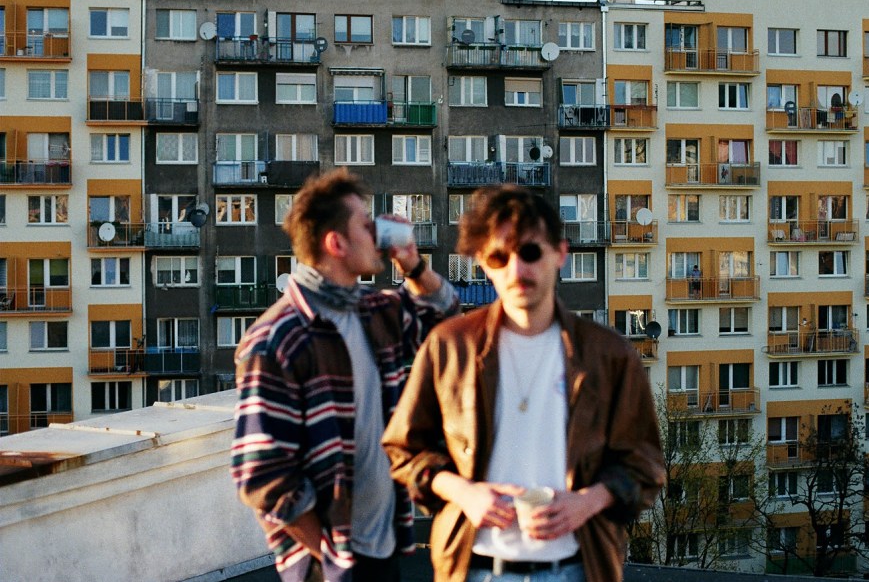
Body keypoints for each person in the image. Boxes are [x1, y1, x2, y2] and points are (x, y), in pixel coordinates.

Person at [382, 185, 665, 582]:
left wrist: (588, 501)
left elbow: (646, 462)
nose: (516, 270)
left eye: (530, 252)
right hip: (474, 569)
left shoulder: (609, 353)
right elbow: (403, 449)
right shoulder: (450, 346)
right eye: (500, 257)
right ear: (484, 264)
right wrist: (464, 493)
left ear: (560, 254)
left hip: (577, 569)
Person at [231, 168, 459, 582]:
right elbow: (262, 473)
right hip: (331, 565)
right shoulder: (277, 339)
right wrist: (330, 557)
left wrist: (412, 264)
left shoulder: (372, 312)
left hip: (384, 546)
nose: (377, 234)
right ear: (336, 243)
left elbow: (443, 320)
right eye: (366, 226)